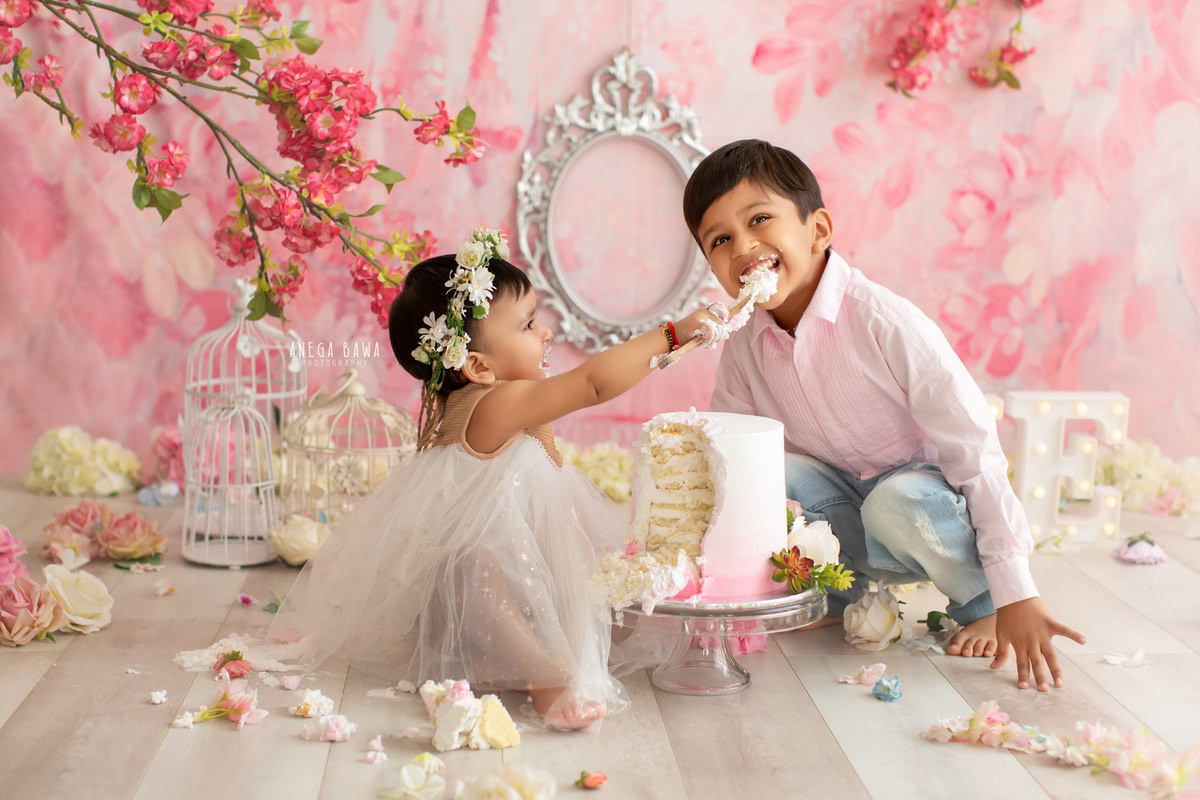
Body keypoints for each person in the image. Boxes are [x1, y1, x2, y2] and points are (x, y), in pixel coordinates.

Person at [269, 228, 721, 728]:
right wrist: (672, 334)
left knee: (607, 583)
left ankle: (514, 648)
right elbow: (592, 384)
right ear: (479, 367)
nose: (544, 333)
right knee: (472, 565)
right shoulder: (495, 403)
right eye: (527, 325)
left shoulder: (487, 394)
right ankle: (544, 677)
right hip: (482, 585)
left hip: (527, 568)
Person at [689, 140, 1085, 692]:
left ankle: (981, 600)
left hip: (924, 510)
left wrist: (1015, 591)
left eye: (759, 220)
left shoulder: (883, 320)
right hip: (841, 517)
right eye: (721, 239)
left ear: (818, 230)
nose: (744, 245)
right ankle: (837, 592)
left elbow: (974, 450)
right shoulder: (744, 343)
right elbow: (730, 449)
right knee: (762, 468)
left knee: (896, 500)